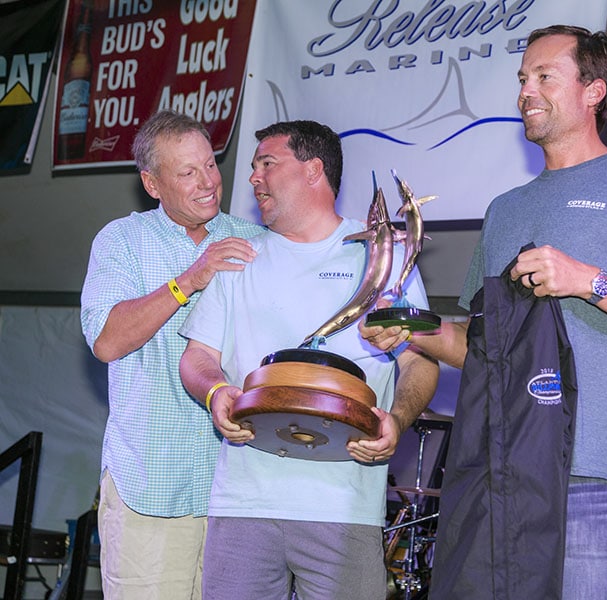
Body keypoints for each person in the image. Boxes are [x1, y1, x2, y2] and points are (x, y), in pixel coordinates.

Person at [361, 25, 607, 599]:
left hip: (584, 477)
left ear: (594, 91)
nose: (525, 90)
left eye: (544, 76)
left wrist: (587, 281)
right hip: (491, 472)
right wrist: (412, 328)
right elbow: (483, 348)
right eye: (523, 78)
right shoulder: (505, 210)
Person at [178, 119, 440, 600]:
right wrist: (216, 392)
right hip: (243, 505)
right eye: (254, 166)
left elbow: (421, 360)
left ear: (313, 169)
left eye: (267, 163)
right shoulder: (237, 257)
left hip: (344, 508)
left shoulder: (383, 253)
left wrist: (399, 420)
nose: (253, 177)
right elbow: (197, 356)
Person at [80, 110, 263, 598]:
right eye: (187, 172)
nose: (208, 183)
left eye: (210, 165)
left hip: (240, 494)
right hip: (152, 487)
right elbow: (107, 341)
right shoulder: (122, 240)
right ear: (152, 183)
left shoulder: (255, 242)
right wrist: (190, 280)